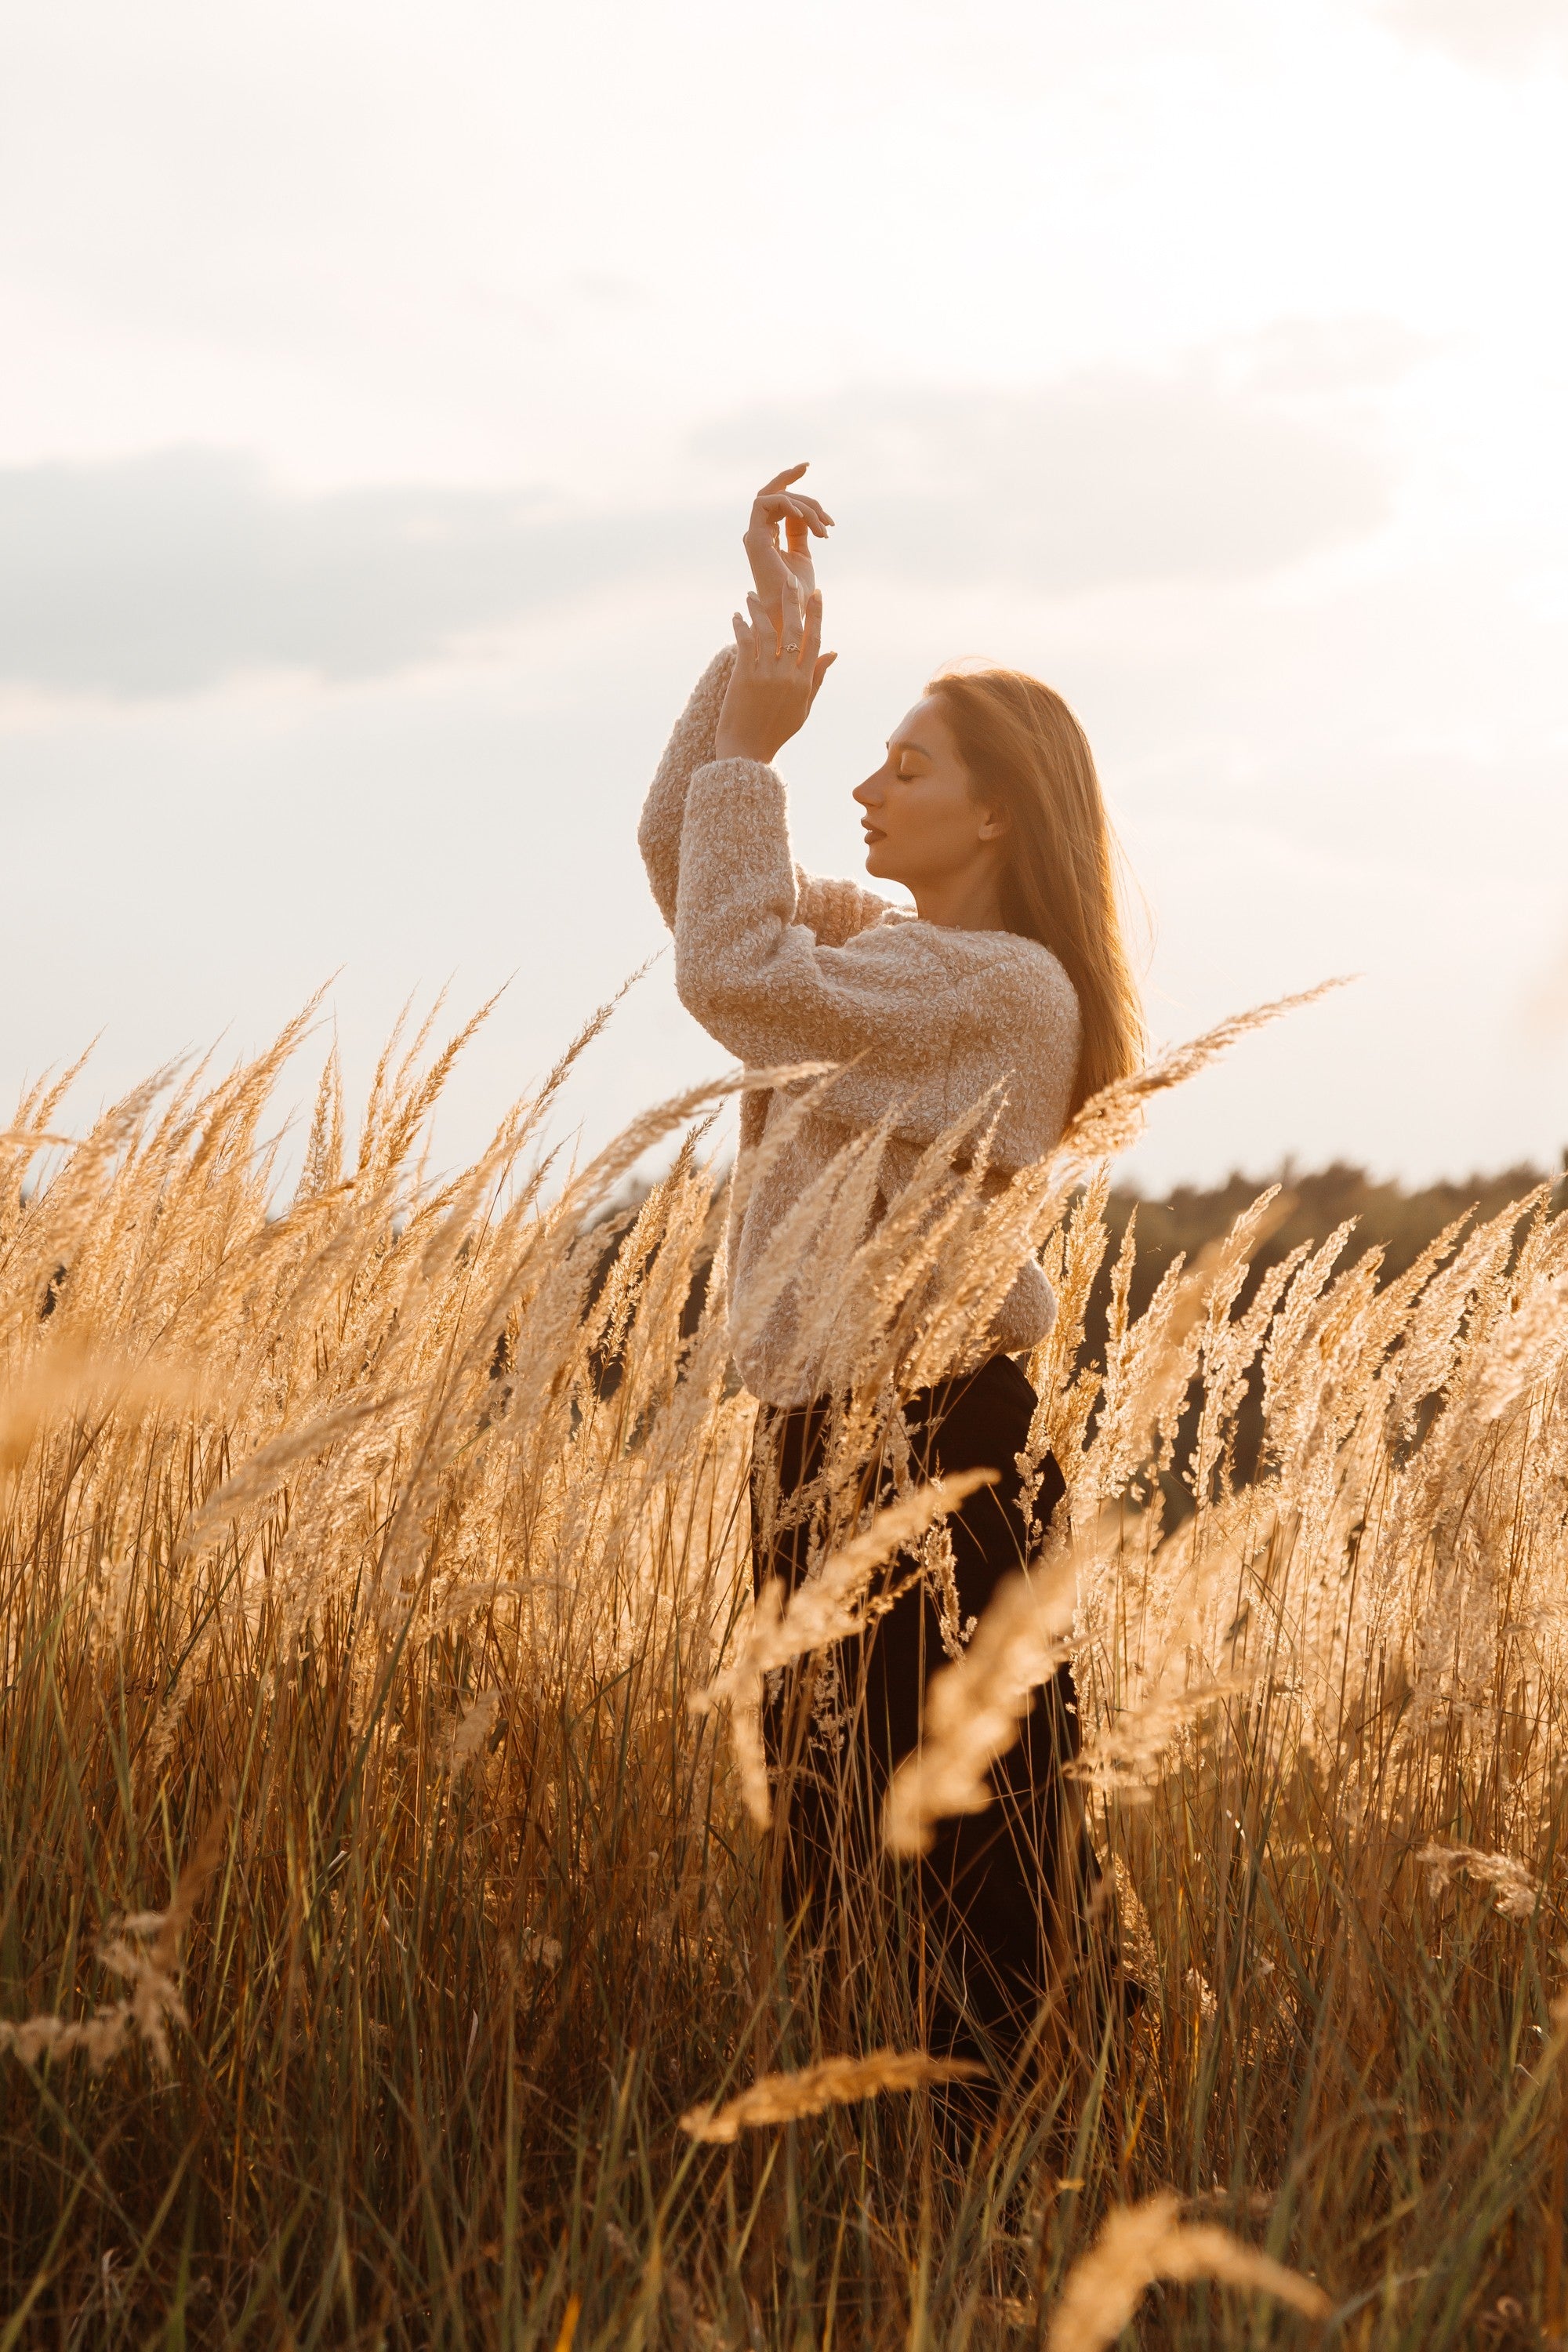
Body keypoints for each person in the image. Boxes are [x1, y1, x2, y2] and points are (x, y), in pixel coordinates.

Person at [638, 465, 1144, 2095]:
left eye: (902, 763)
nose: (862, 784)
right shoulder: (883, 952)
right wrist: (752, 669)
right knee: (833, 1867)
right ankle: (907, 2215)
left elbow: (727, 967)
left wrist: (753, 754)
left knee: (954, 1897)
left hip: (932, 1454)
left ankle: (976, 2212)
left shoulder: (996, 992)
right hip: (826, 1439)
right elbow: (688, 865)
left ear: (996, 813)